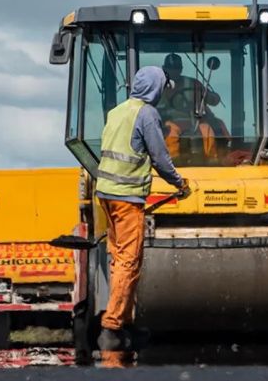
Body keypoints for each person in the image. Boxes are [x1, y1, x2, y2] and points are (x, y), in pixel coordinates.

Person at [95, 66, 192, 351]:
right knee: (129, 261)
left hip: (107, 194)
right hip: (127, 198)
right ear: (155, 88)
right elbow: (160, 157)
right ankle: (112, 328)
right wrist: (179, 182)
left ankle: (125, 322)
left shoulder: (117, 111)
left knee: (117, 260)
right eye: (162, 86)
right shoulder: (147, 114)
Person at [158, 53, 228, 160]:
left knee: (207, 131)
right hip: (169, 122)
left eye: (177, 68)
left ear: (181, 69)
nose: (174, 71)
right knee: (171, 134)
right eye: (170, 68)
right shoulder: (158, 86)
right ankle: (173, 162)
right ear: (164, 68)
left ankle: (212, 160)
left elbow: (211, 99)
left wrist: (213, 97)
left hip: (194, 121)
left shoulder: (193, 83)